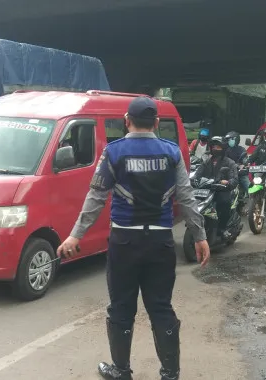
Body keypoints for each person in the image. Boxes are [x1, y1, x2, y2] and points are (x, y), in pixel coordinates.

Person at [57, 96, 210, 380]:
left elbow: (96, 197)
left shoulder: (114, 152)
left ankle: (121, 371)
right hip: (161, 242)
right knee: (161, 306)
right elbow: (186, 198)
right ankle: (170, 373)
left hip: (124, 243)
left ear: (126, 121)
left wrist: (75, 235)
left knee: (121, 307)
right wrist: (199, 236)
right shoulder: (172, 152)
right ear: (156, 123)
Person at [193, 136, 240, 239]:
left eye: (218, 147)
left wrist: (227, 182)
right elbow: (197, 175)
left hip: (222, 190)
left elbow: (234, 179)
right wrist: (193, 180)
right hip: (207, 190)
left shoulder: (229, 162)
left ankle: (222, 229)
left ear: (223, 148)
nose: (215, 149)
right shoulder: (206, 161)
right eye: (213, 146)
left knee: (224, 203)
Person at [224, 131, 249, 196]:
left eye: (231, 139)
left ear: (236, 139)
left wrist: (243, 164)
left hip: (240, 174)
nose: (229, 141)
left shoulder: (242, 150)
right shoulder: (226, 150)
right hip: (228, 173)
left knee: (249, 189)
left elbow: (245, 160)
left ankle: (253, 203)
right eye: (228, 140)